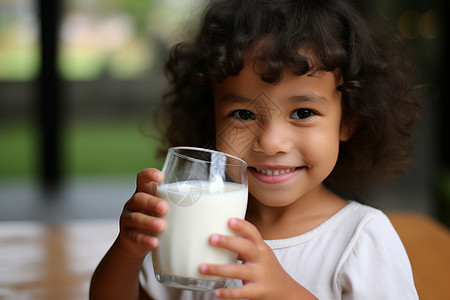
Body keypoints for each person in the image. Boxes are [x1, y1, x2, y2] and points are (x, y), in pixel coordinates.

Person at [90, 0, 422, 299]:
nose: (271, 143)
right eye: (243, 115)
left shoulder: (361, 240)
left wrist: (287, 294)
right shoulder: (194, 222)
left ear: (347, 121)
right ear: (212, 119)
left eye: (303, 113)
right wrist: (128, 251)